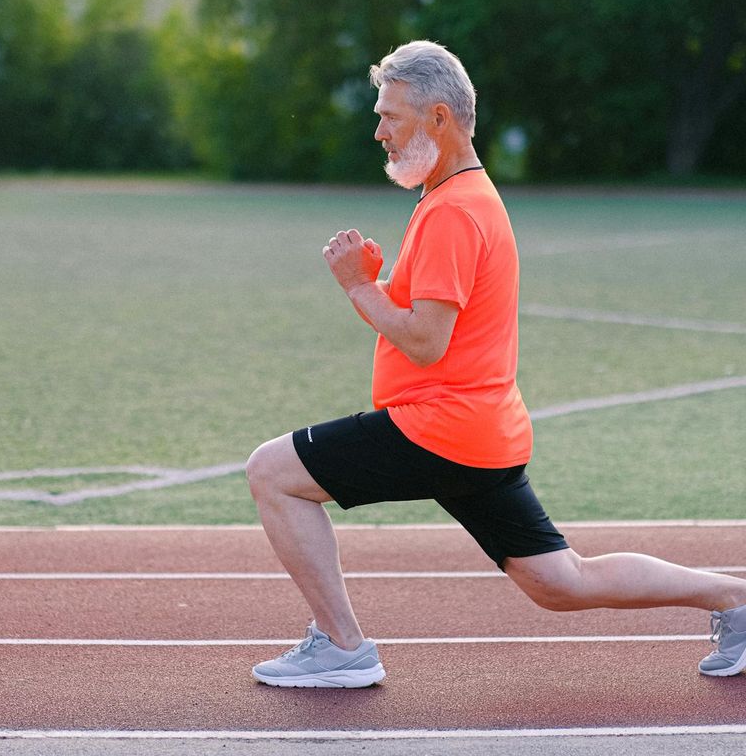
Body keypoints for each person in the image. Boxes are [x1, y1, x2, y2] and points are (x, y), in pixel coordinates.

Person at [246, 40, 746, 688]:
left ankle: (342, 647)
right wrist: (375, 286)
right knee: (561, 581)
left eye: (389, 116)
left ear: (437, 119)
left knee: (273, 472)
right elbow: (434, 320)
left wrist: (358, 286)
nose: (378, 132)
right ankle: (736, 598)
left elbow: (426, 341)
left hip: (440, 428)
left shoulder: (453, 211)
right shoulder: (461, 196)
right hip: (478, 433)